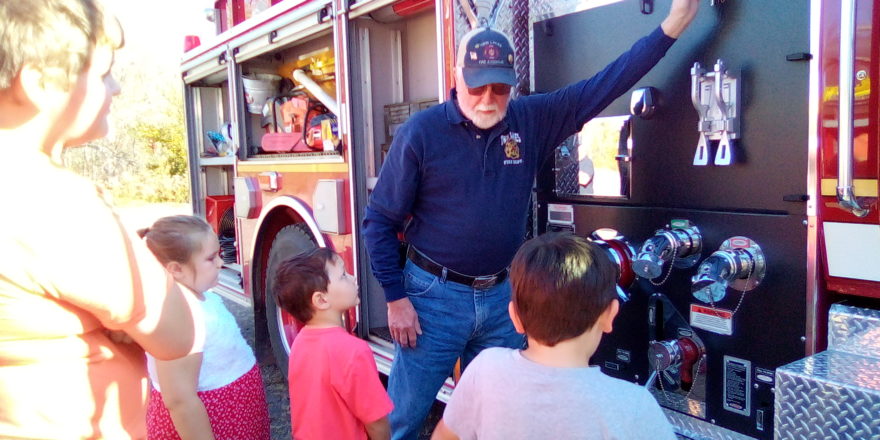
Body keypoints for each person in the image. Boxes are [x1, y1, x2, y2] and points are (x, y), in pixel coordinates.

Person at [362, 1, 700, 437]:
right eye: (477, 87)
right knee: (405, 418)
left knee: (509, 418)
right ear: (456, 77)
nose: (487, 100)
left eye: (499, 89)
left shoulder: (530, 119)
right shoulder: (421, 133)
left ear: (513, 85)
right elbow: (378, 222)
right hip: (433, 299)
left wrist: (671, 27)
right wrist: (395, 298)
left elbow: (606, 83)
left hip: (504, 296)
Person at [0, 1, 203, 438]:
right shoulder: (54, 201)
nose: (117, 88)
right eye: (104, 72)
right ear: (39, 83)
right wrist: (122, 327)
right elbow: (176, 334)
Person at [431, 233, 677, 440]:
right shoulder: (635, 406)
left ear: (514, 316)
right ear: (609, 315)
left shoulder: (485, 368)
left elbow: (444, 436)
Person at [139, 216, 271, 440]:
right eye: (211, 258)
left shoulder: (203, 297)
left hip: (234, 415)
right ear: (176, 269)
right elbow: (180, 401)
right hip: (211, 424)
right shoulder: (179, 316)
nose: (221, 263)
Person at [274, 247, 394, 440]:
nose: (354, 278)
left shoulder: (299, 343)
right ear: (321, 300)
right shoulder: (354, 351)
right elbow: (377, 420)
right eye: (344, 275)